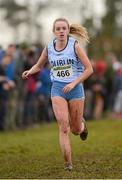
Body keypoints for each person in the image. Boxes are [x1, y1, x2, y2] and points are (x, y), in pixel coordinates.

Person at [22, 18, 93, 171]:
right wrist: (30, 71)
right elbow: (39, 65)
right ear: (54, 31)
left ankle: (82, 125)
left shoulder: (74, 46)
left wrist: (74, 83)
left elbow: (89, 69)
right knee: (63, 126)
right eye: (58, 29)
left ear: (68, 30)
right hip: (57, 89)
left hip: (75, 88)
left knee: (75, 130)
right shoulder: (49, 47)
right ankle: (68, 163)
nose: (61, 31)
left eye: (64, 28)